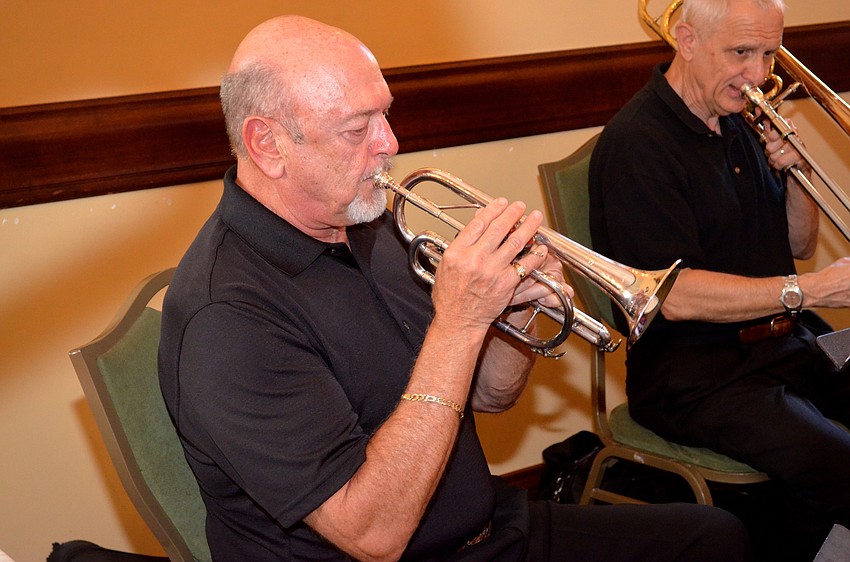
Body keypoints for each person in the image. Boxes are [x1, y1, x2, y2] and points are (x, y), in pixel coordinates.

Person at [159, 14, 752, 561]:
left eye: (385, 114)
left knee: (713, 539)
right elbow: (373, 535)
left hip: (488, 526)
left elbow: (489, 396)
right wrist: (460, 322)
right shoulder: (227, 318)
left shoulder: (363, 219)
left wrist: (514, 317)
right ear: (268, 145)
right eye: (356, 128)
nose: (388, 143)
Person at [589, 0, 850, 559]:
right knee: (840, 462)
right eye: (740, 53)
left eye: (768, 54)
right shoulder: (638, 145)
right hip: (693, 374)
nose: (760, 75)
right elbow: (673, 297)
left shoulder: (739, 119)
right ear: (685, 40)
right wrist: (812, 290)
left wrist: (796, 172)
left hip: (781, 340)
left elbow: (799, 245)